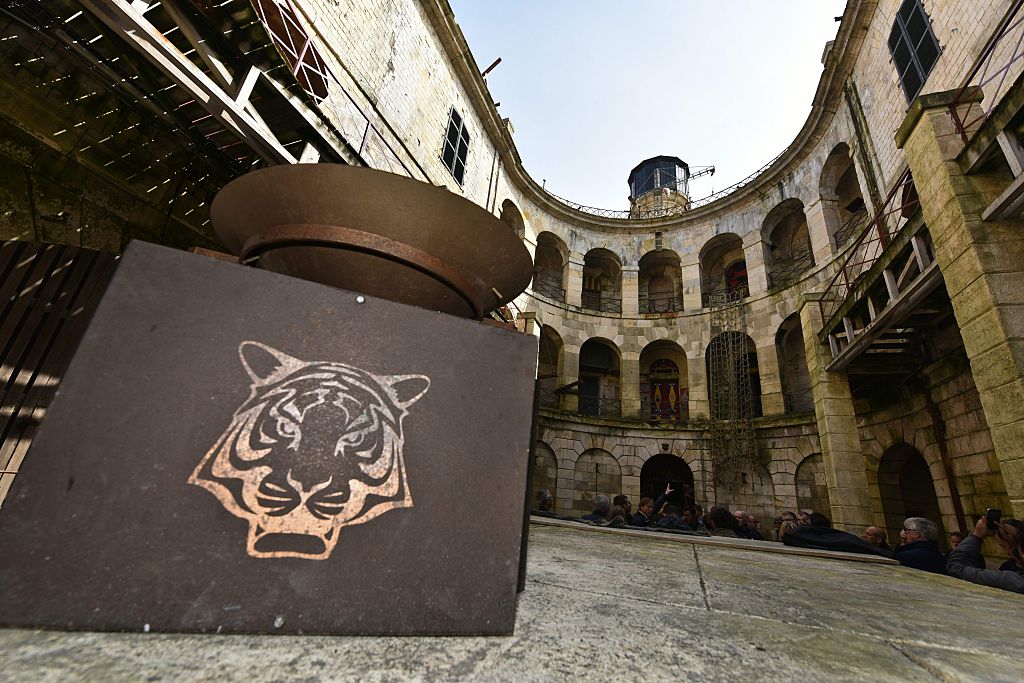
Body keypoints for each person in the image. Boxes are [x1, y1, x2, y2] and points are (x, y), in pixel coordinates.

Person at [946, 516, 1024, 594]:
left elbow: (955, 567)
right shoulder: (1008, 568)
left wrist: (976, 536)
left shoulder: (1013, 580)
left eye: (1004, 546)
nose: (1007, 551)